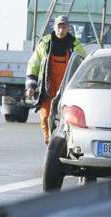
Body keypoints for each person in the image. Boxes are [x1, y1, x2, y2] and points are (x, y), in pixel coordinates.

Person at [25, 15, 86, 144]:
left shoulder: (75, 45)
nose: (61, 30)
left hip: (66, 90)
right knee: (46, 117)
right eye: (59, 26)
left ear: (68, 28)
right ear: (54, 27)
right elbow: (34, 64)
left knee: (67, 118)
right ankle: (49, 142)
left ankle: (64, 143)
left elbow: (83, 64)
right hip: (48, 88)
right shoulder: (45, 43)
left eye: (64, 27)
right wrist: (30, 86)